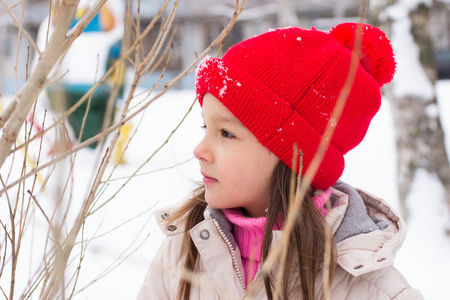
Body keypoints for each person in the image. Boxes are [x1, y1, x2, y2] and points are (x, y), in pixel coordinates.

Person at [137, 23, 424, 300]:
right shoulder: (183, 251)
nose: (200, 150)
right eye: (205, 128)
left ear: (295, 158)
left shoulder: (371, 289)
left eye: (226, 133)